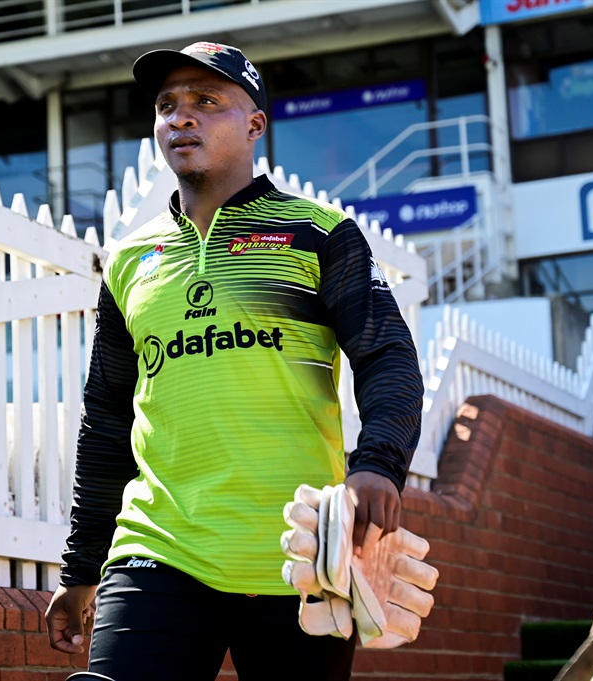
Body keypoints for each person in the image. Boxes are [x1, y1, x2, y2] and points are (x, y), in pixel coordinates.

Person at [45, 41, 424, 681]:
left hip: (301, 555)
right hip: (159, 549)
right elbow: (107, 419)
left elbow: (387, 355)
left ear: (255, 124)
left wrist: (379, 465)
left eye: (206, 101)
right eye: (167, 105)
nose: (180, 117)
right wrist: (83, 567)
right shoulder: (130, 262)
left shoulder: (320, 234)